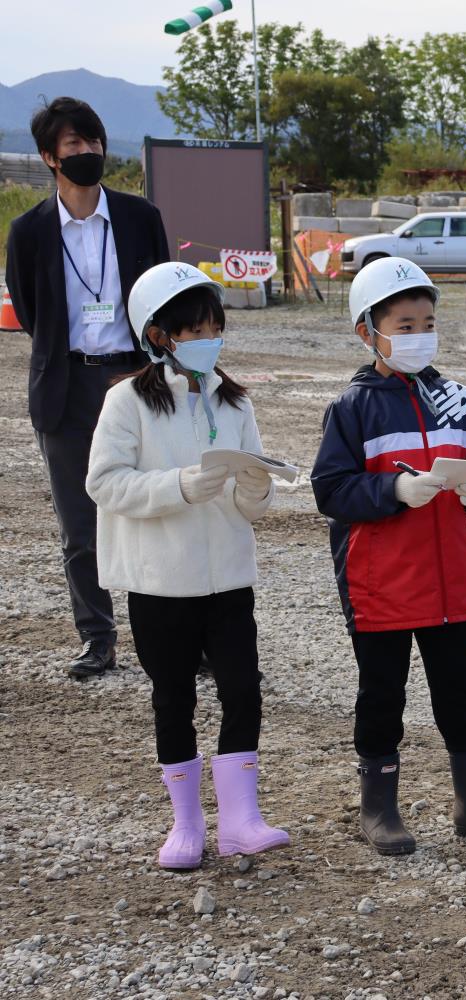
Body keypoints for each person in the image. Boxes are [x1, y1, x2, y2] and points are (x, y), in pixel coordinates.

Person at [311, 257, 466, 856]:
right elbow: (330, 489)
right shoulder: (352, 407)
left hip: (450, 579)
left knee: (462, 691)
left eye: (427, 323)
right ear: (368, 332)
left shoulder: (458, 398)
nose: (419, 335)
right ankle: (378, 807)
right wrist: (394, 490)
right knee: (382, 695)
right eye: (404, 326)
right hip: (381, 583)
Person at [86, 263, 288, 870]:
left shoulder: (234, 400)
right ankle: (186, 823)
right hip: (161, 583)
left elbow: (251, 497)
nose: (209, 340)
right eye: (195, 330)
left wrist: (256, 489)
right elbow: (104, 482)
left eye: (215, 328)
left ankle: (242, 821)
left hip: (228, 577)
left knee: (242, 690)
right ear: (158, 335)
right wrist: (178, 486)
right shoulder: (126, 402)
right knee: (172, 696)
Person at [4, 97, 171, 679]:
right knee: (80, 525)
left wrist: (142, 363)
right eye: (73, 144)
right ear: (49, 157)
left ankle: (177, 638)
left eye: (94, 141)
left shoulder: (140, 217)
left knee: (157, 509)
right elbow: (31, 313)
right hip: (66, 385)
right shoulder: (28, 231)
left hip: (136, 377)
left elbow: (163, 300)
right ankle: (97, 638)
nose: (88, 151)